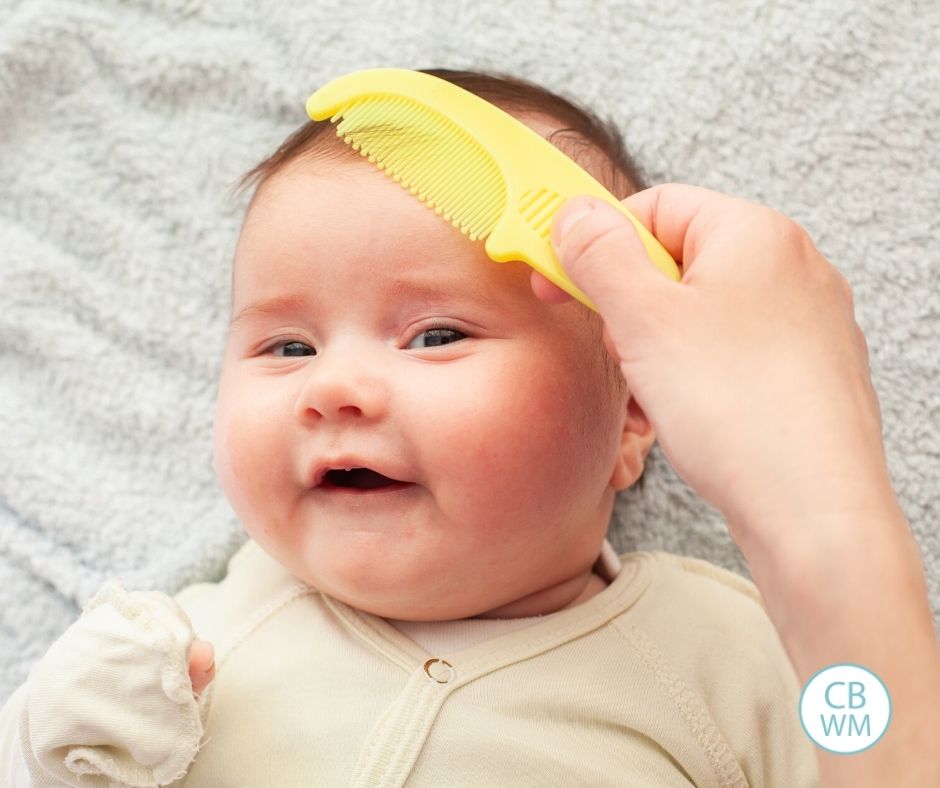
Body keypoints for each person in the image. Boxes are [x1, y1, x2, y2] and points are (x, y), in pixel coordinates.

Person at [0, 68, 935, 787]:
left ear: (637, 414)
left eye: (436, 335)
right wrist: (60, 740)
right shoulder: (176, 650)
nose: (335, 390)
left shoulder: (742, 651)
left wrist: (833, 555)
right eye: (286, 348)